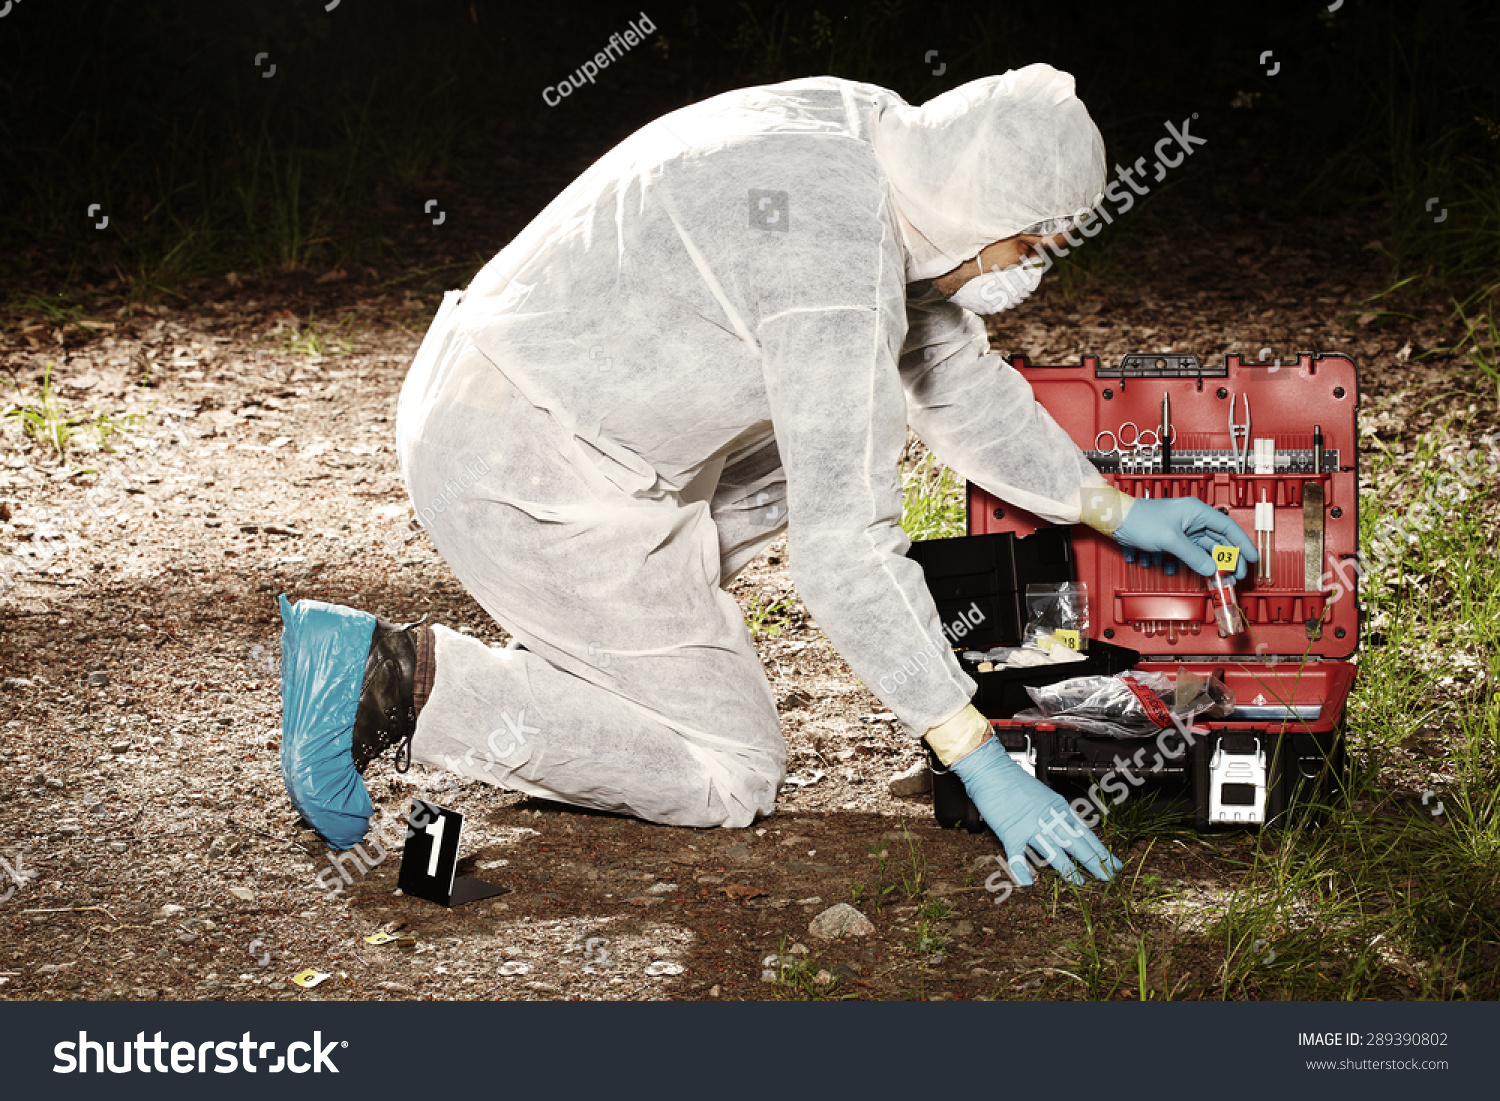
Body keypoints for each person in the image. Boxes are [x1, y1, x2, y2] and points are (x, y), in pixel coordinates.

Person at [279, 64, 1258, 887]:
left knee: (860, 415)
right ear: (982, 213)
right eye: (1033, 246)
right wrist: (979, 756)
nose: (1034, 270)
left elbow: (946, 367)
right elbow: (845, 547)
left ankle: (594, 656)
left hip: (522, 396)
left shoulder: (874, 132)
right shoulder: (832, 270)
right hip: (525, 472)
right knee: (730, 771)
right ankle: (392, 682)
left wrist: (1116, 509)